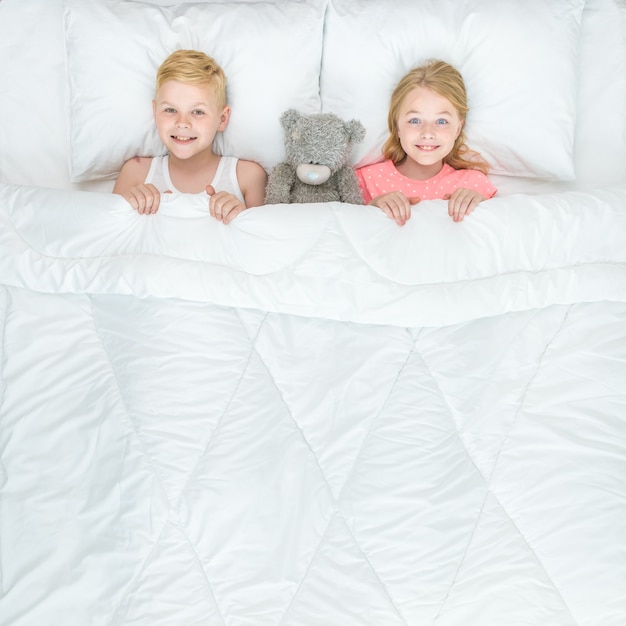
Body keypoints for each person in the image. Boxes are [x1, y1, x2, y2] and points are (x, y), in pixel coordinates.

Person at [113, 50, 267, 224]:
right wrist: (130, 207)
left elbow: (261, 242)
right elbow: (110, 237)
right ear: (155, 113)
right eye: (170, 110)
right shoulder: (136, 173)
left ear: (222, 119)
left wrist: (240, 216)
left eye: (198, 112)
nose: (182, 122)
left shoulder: (247, 177)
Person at [355, 60, 496, 225]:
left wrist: (481, 206)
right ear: (397, 126)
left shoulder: (473, 184)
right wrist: (372, 210)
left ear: (458, 128)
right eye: (415, 120)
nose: (428, 133)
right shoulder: (364, 181)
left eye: (441, 121)